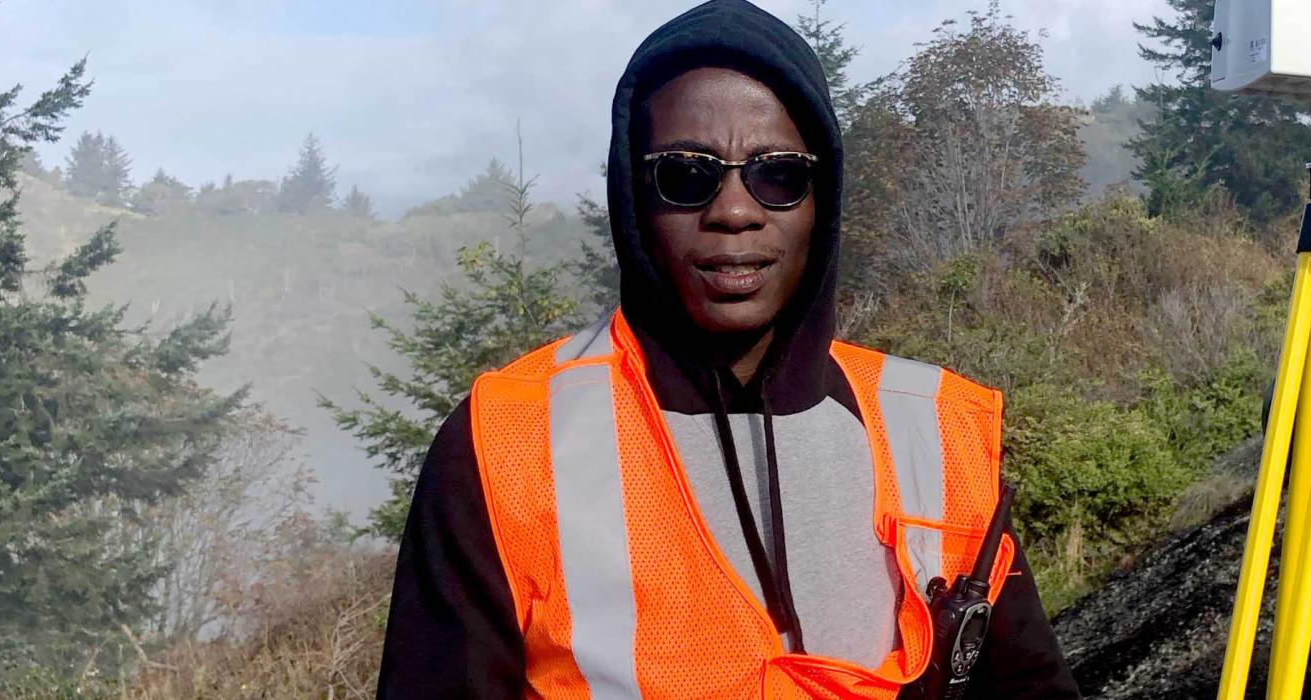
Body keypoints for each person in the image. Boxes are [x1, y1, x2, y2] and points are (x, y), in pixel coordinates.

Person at [373, 1, 1080, 698]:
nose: (735, 211)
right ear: (632, 197)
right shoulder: (505, 445)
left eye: (779, 174)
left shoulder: (935, 429)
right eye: (686, 174)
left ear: (821, 197)